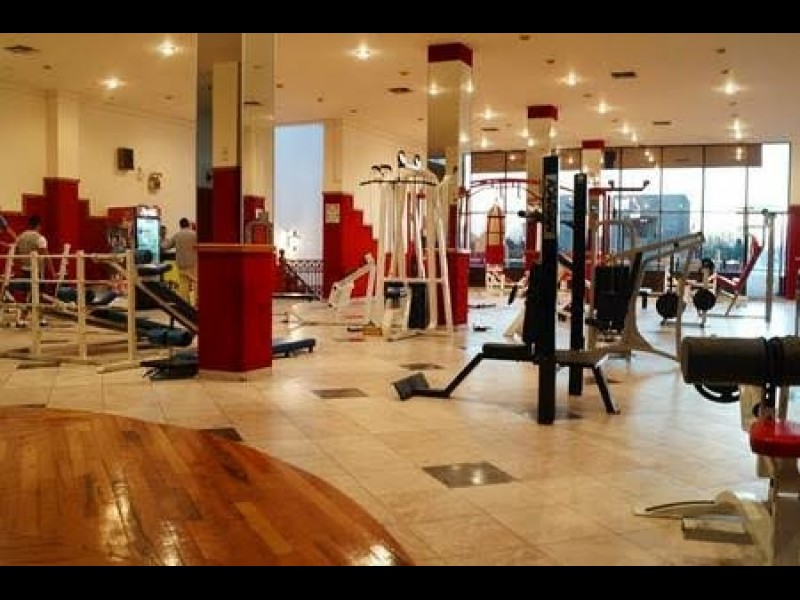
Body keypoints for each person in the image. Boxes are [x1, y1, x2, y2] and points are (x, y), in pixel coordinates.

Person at [14, 214, 56, 326]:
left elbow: (16, 254)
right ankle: (22, 318)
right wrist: (52, 272)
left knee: (38, 294)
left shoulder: (20, 237)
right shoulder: (40, 238)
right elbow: (46, 256)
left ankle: (41, 318)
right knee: (34, 294)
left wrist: (19, 266)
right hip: (36, 270)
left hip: (24, 269)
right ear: (39, 225)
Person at [163, 218, 198, 305]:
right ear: (188, 224)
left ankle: (185, 304)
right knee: (196, 282)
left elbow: (166, 246)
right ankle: (196, 303)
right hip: (193, 263)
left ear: (180, 225)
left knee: (183, 285)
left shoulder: (177, 235)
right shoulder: (195, 234)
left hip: (181, 264)